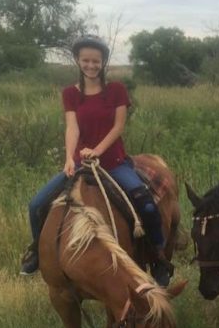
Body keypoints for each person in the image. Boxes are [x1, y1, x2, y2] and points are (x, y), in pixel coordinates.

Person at [20, 34, 172, 286]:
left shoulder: (116, 90)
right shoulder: (70, 93)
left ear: (103, 62)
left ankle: (157, 256)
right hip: (80, 165)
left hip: (113, 163)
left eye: (96, 61)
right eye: (86, 60)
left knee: (145, 203)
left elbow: (118, 127)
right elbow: (72, 128)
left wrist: (97, 151)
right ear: (78, 61)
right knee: (36, 205)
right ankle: (38, 252)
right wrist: (69, 157)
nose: (91, 65)